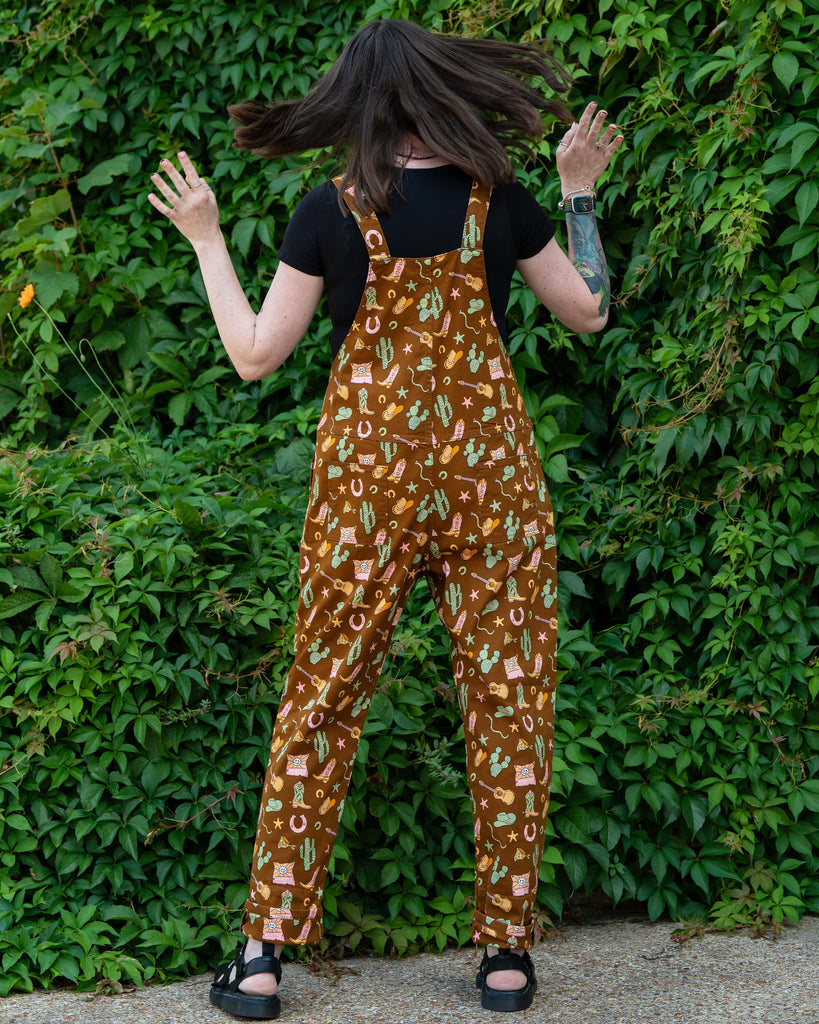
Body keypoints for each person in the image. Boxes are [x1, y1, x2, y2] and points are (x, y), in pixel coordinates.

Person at [147, 18, 623, 1020]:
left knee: (322, 692)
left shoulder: (328, 211)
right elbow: (588, 310)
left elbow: (252, 354)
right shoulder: (504, 203)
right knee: (511, 695)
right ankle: (504, 955)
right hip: (493, 481)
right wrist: (579, 193)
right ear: (444, 91)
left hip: (370, 485)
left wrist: (204, 239)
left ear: (360, 100)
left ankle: (263, 958)